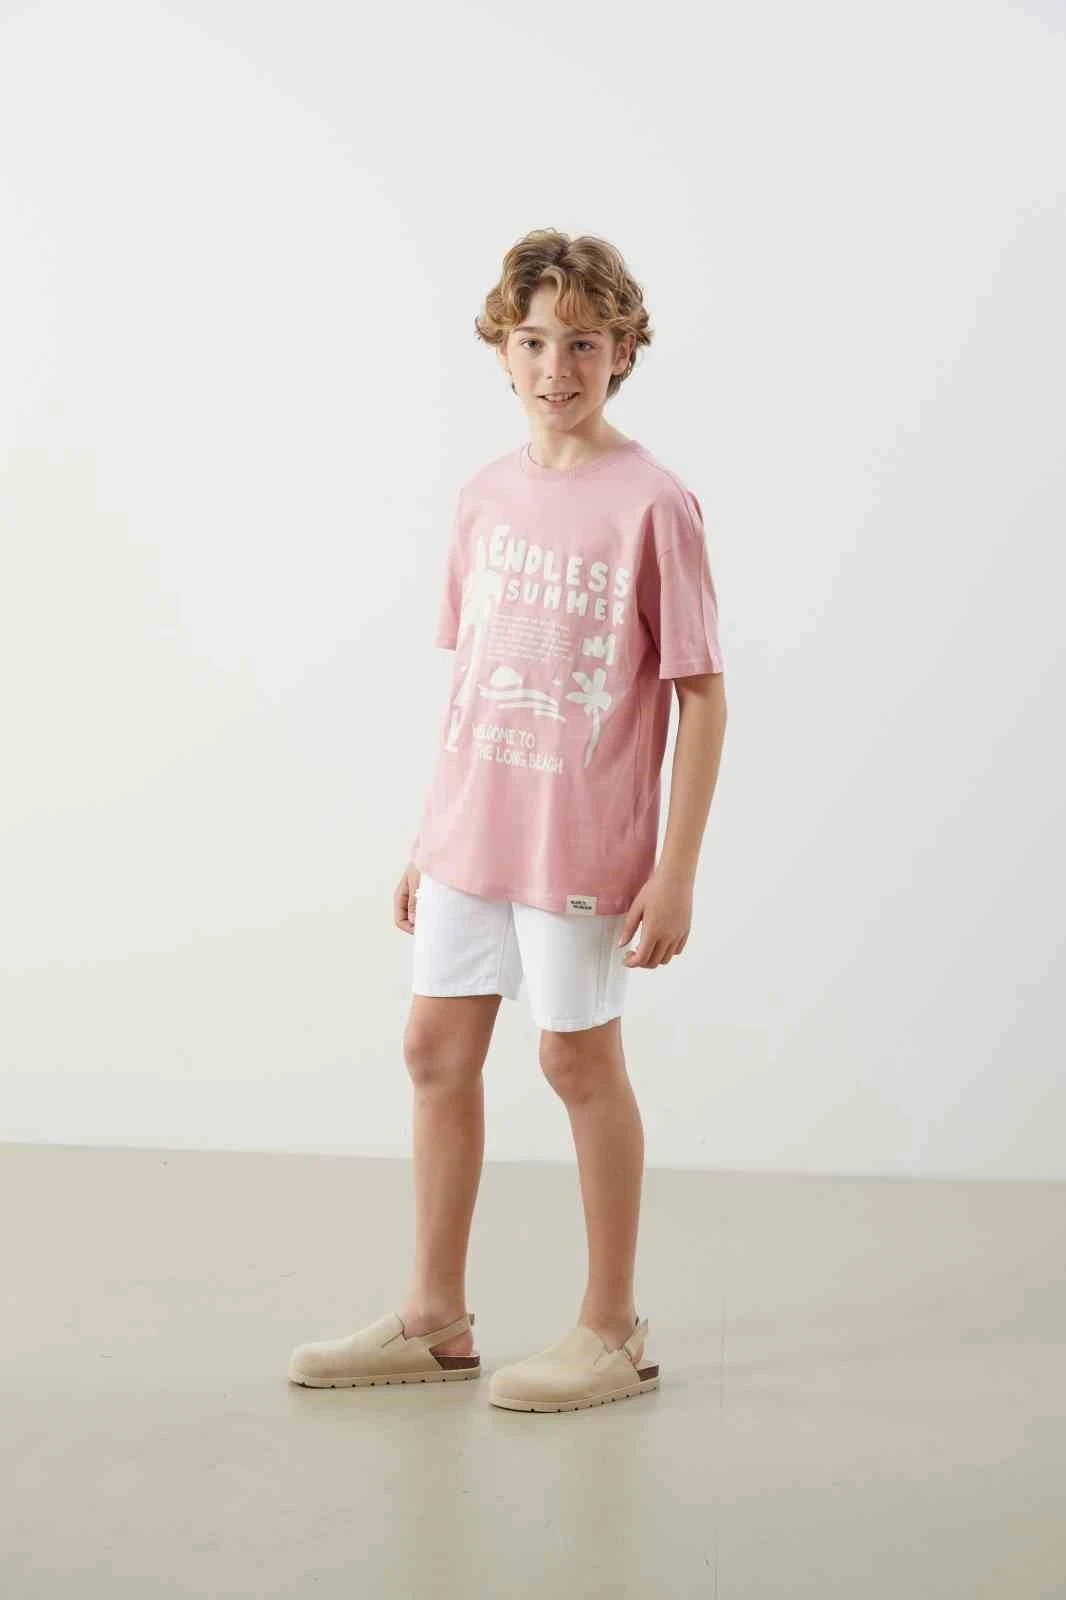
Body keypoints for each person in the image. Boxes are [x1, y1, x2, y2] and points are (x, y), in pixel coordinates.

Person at [288, 230, 727, 1413]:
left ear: (622, 350)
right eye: (532, 341)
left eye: (582, 343)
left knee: (575, 1059)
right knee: (433, 1050)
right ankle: (434, 1317)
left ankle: (613, 1328)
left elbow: (700, 695)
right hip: (471, 836)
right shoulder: (484, 498)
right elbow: (475, 684)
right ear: (500, 350)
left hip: (579, 843)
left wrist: (675, 870)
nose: (554, 367)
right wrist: (427, 839)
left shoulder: (654, 505)